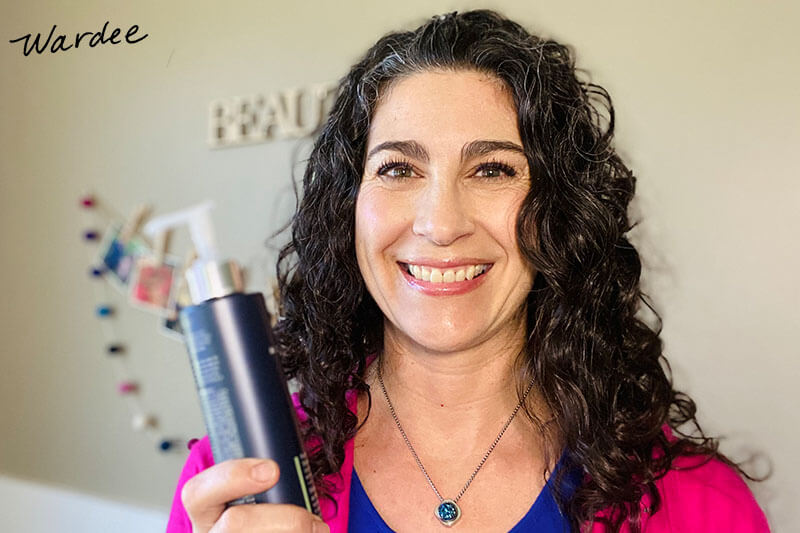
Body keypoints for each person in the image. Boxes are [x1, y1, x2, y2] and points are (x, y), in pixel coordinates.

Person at [167, 10, 770, 532]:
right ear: (348, 209)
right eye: (399, 169)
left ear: (559, 213)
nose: (441, 223)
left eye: (492, 170)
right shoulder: (235, 484)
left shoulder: (704, 504)